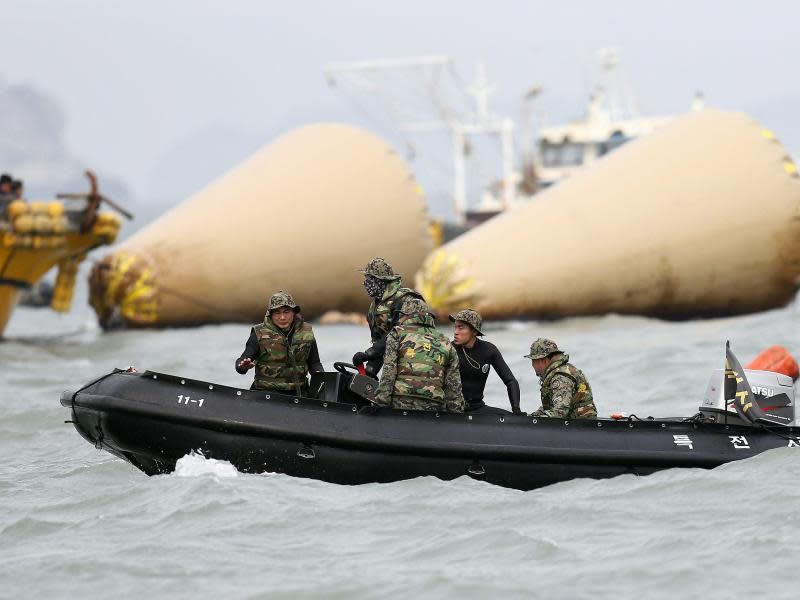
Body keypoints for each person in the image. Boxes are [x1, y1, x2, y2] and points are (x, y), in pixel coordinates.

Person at [374, 297, 464, 413]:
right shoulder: (445, 341)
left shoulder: (397, 333)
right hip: (433, 406)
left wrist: (381, 403)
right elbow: (453, 386)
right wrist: (456, 414)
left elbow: (389, 370)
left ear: (407, 315)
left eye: (402, 315)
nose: (400, 319)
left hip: (400, 402)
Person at [236, 291, 323, 395]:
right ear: (270, 315)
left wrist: (322, 378)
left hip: (299, 395)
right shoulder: (259, 333)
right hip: (265, 395)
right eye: (277, 313)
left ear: (294, 312)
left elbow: (315, 363)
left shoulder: (306, 332)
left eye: (286, 312)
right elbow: (242, 361)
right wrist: (243, 366)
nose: (282, 317)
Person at [351, 257, 423, 376]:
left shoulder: (405, 300)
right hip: (394, 360)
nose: (366, 283)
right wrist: (370, 368)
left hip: (414, 361)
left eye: (369, 279)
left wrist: (370, 353)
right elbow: (381, 342)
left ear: (380, 280)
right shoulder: (377, 304)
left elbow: (398, 333)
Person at [450, 308, 522, 415]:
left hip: (477, 408)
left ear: (474, 331)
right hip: (452, 410)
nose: (456, 332)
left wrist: (516, 409)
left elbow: (510, 381)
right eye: (455, 327)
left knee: (510, 418)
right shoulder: (448, 349)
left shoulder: (489, 350)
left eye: (461, 328)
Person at [525, 338, 597, 419]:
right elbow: (554, 404)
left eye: (534, 361)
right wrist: (535, 415)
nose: (533, 365)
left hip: (580, 425)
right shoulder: (560, 371)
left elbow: (560, 412)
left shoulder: (561, 378)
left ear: (543, 360)